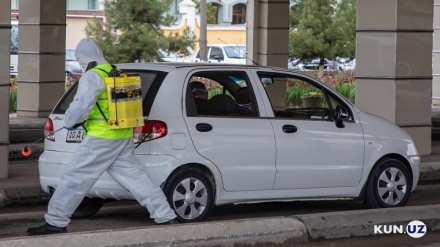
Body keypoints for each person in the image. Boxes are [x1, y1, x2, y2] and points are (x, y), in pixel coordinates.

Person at [27, 38, 177, 236]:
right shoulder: (116, 72)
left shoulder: (92, 76)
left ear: (82, 57)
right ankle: (166, 215)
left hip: (102, 138)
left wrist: (69, 122)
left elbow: (81, 106)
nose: (80, 63)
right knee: (136, 178)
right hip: (122, 134)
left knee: (75, 177)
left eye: (79, 59)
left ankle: (55, 221)